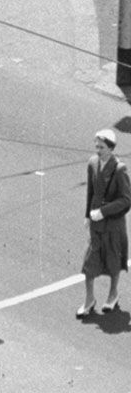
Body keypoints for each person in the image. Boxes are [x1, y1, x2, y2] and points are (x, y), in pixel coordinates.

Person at [79, 128, 129, 317]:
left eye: (101, 147)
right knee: (90, 263)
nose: (98, 150)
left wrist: (103, 211)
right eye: (96, 146)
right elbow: (91, 192)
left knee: (113, 260)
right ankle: (89, 299)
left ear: (110, 148)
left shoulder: (119, 169)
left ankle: (113, 294)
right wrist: (87, 215)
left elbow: (126, 199)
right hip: (96, 222)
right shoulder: (92, 163)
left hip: (113, 224)